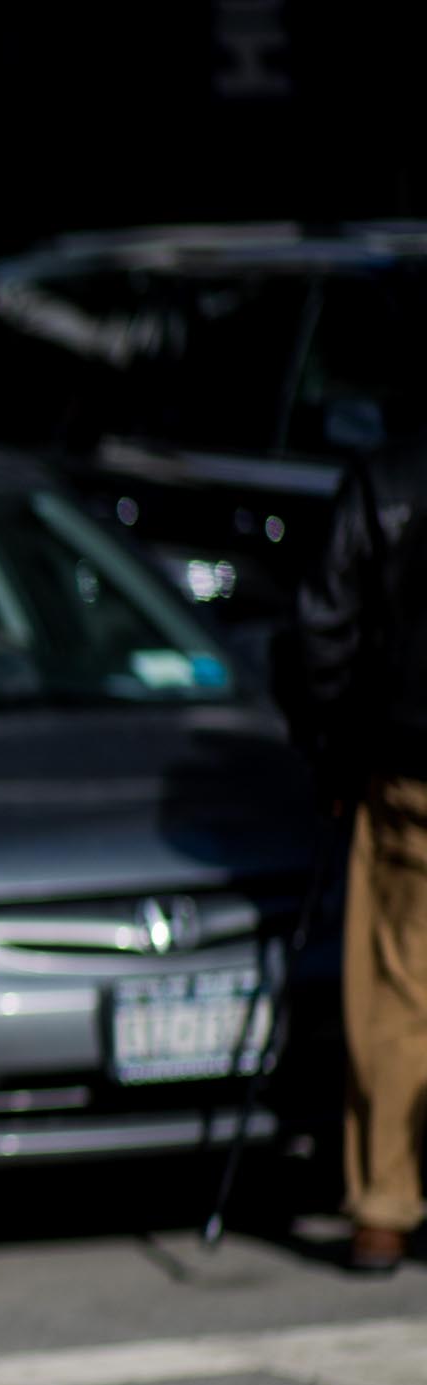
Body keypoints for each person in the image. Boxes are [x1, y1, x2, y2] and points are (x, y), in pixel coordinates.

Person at [278, 424, 427, 1274]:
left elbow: (322, 626)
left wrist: (332, 745)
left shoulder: (390, 473)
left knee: (399, 992)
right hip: (405, 755)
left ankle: (385, 1205)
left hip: (408, 761)